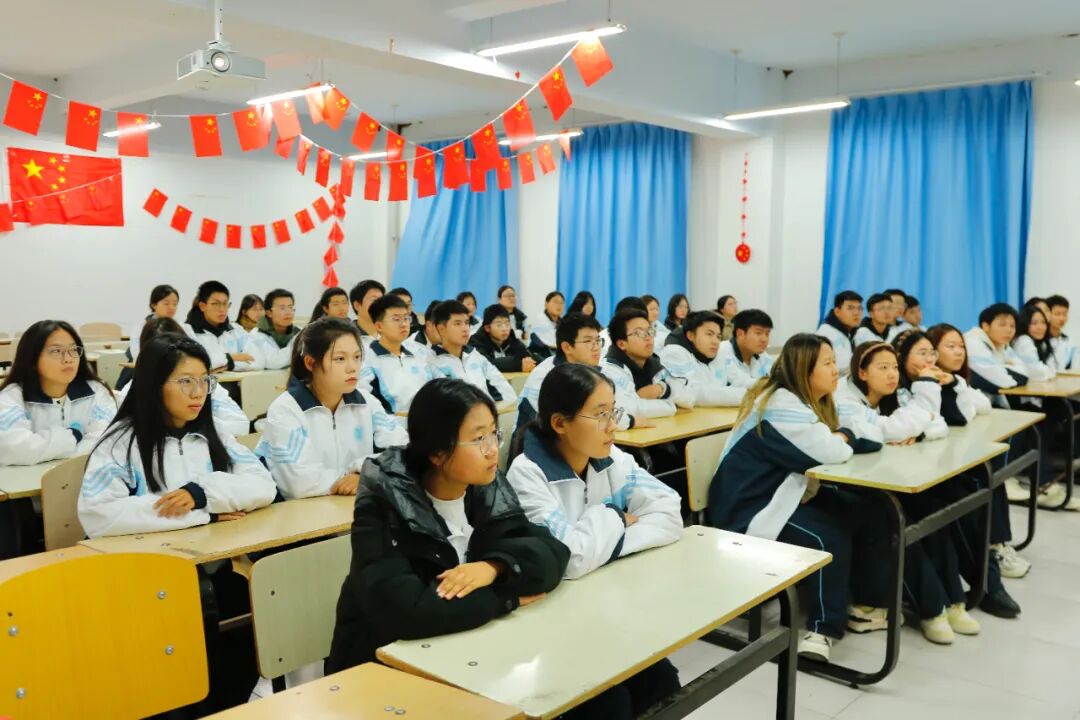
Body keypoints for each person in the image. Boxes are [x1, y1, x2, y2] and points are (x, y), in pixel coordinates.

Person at [325, 378, 570, 672]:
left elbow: (553, 553)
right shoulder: (383, 503)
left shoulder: (486, 488)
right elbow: (406, 612)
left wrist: (494, 568)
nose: (492, 450)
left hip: (463, 655)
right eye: (479, 439)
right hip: (381, 668)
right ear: (437, 452)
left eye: (494, 434)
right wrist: (505, 598)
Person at [506, 363, 681, 719]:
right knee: (611, 705)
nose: (612, 425)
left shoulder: (611, 457)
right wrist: (615, 517)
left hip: (608, 606)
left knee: (663, 682)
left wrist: (607, 544)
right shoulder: (527, 474)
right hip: (552, 626)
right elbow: (569, 560)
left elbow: (669, 511)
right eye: (600, 414)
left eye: (613, 411)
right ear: (560, 423)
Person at [707, 334, 890, 662]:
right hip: (750, 508)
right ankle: (822, 630)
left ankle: (864, 606)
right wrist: (845, 436)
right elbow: (833, 451)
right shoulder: (781, 403)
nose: (836, 370)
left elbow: (869, 433)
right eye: (828, 363)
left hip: (784, 494)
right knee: (827, 539)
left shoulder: (810, 401)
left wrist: (845, 435)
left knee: (870, 510)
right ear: (805, 369)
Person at [834, 339, 980, 644]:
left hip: (889, 478)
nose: (892, 374)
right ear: (862, 373)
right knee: (900, 523)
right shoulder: (844, 399)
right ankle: (933, 610)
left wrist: (919, 431)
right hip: (849, 486)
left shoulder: (897, 394)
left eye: (894, 367)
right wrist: (907, 426)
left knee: (933, 512)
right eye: (882, 368)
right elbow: (885, 430)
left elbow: (938, 422)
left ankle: (955, 602)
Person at [78, 335, 276, 538]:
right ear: (154, 384)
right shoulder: (120, 442)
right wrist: (201, 515)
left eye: (204, 380)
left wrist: (201, 494)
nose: (198, 392)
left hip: (209, 548)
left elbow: (263, 485)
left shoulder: (214, 432)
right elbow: (98, 515)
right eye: (186, 381)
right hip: (147, 553)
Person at [926, 323, 1025, 615]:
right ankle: (988, 579)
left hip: (945, 458)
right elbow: (958, 416)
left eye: (960, 346)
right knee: (972, 488)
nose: (959, 352)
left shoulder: (954, 379)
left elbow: (979, 405)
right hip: (928, 467)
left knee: (986, 476)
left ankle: (995, 551)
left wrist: (956, 384)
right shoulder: (925, 384)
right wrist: (954, 388)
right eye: (950, 347)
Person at [258, 318, 408, 499]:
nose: (352, 367)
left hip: (354, 505)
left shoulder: (366, 402)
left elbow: (404, 451)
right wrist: (362, 475)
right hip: (302, 512)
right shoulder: (286, 410)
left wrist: (364, 473)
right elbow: (299, 483)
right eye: (340, 359)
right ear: (311, 363)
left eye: (357, 357)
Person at [0, 320, 117, 466]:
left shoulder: (96, 391)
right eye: (56, 351)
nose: (68, 359)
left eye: (73, 350)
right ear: (32, 359)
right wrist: (73, 436)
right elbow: (11, 448)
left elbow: (107, 441)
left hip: (81, 475)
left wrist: (45, 451)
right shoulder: (12, 396)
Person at [119, 318, 249, 437]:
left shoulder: (204, 384)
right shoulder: (129, 394)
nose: (197, 393)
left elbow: (241, 425)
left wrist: (198, 424)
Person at [600, 309, 692, 430]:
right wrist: (671, 407)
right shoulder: (610, 370)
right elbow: (628, 409)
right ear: (621, 344)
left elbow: (689, 398)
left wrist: (663, 389)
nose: (648, 337)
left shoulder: (654, 364)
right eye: (639, 333)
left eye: (649, 331)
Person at [517, 313, 604, 428]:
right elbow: (560, 427)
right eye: (588, 341)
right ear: (567, 347)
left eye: (598, 340)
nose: (596, 347)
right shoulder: (546, 377)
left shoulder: (591, 369)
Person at [361, 295, 438, 414]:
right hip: (390, 422)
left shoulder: (419, 354)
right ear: (379, 326)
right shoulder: (367, 359)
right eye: (396, 319)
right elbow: (367, 399)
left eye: (406, 318)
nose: (404, 324)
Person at [429, 301, 516, 405]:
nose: (465, 329)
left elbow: (502, 386)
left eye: (466, 323)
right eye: (458, 324)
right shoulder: (431, 363)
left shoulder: (474, 355)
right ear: (441, 329)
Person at [659, 311, 745, 406]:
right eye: (709, 334)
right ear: (691, 336)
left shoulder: (720, 355)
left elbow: (740, 379)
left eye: (718, 336)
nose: (715, 341)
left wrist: (757, 389)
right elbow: (694, 393)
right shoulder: (674, 353)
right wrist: (747, 396)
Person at [184, 280, 257, 371]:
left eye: (225, 303)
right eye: (215, 304)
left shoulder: (235, 330)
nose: (222, 309)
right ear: (203, 306)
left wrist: (229, 365)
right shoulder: (188, 332)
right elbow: (197, 364)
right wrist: (232, 358)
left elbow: (258, 360)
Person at [469, 304, 538, 373]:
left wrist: (530, 362)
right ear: (487, 328)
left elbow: (528, 355)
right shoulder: (476, 342)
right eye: (499, 325)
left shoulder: (511, 339)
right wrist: (519, 365)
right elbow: (486, 363)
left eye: (507, 324)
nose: (504, 329)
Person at [718, 309, 775, 388]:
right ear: (740, 334)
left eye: (767, 334)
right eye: (758, 333)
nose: (764, 339)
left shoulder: (765, 357)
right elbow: (741, 383)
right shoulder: (721, 353)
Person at [247, 288, 300, 370]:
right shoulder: (256, 335)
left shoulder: (299, 331)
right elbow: (275, 362)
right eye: (282, 308)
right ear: (269, 313)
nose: (288, 312)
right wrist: (298, 341)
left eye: (290, 307)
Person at [128, 284, 184, 361]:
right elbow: (137, 354)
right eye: (166, 303)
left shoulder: (184, 327)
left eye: (175, 304)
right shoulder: (141, 327)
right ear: (153, 305)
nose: (171, 307)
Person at [816, 290, 863, 376]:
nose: (856, 313)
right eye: (850, 308)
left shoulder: (854, 332)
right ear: (837, 311)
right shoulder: (826, 334)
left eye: (859, 308)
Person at [529, 291, 564, 358]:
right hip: (541, 354)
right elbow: (550, 342)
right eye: (555, 302)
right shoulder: (540, 319)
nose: (559, 305)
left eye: (561, 303)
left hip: (557, 353)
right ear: (546, 304)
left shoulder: (563, 321)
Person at [1045, 295, 1076, 370]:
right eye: (1057, 314)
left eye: (1065, 314)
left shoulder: (1068, 341)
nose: (1062, 318)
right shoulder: (1042, 340)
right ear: (1047, 314)